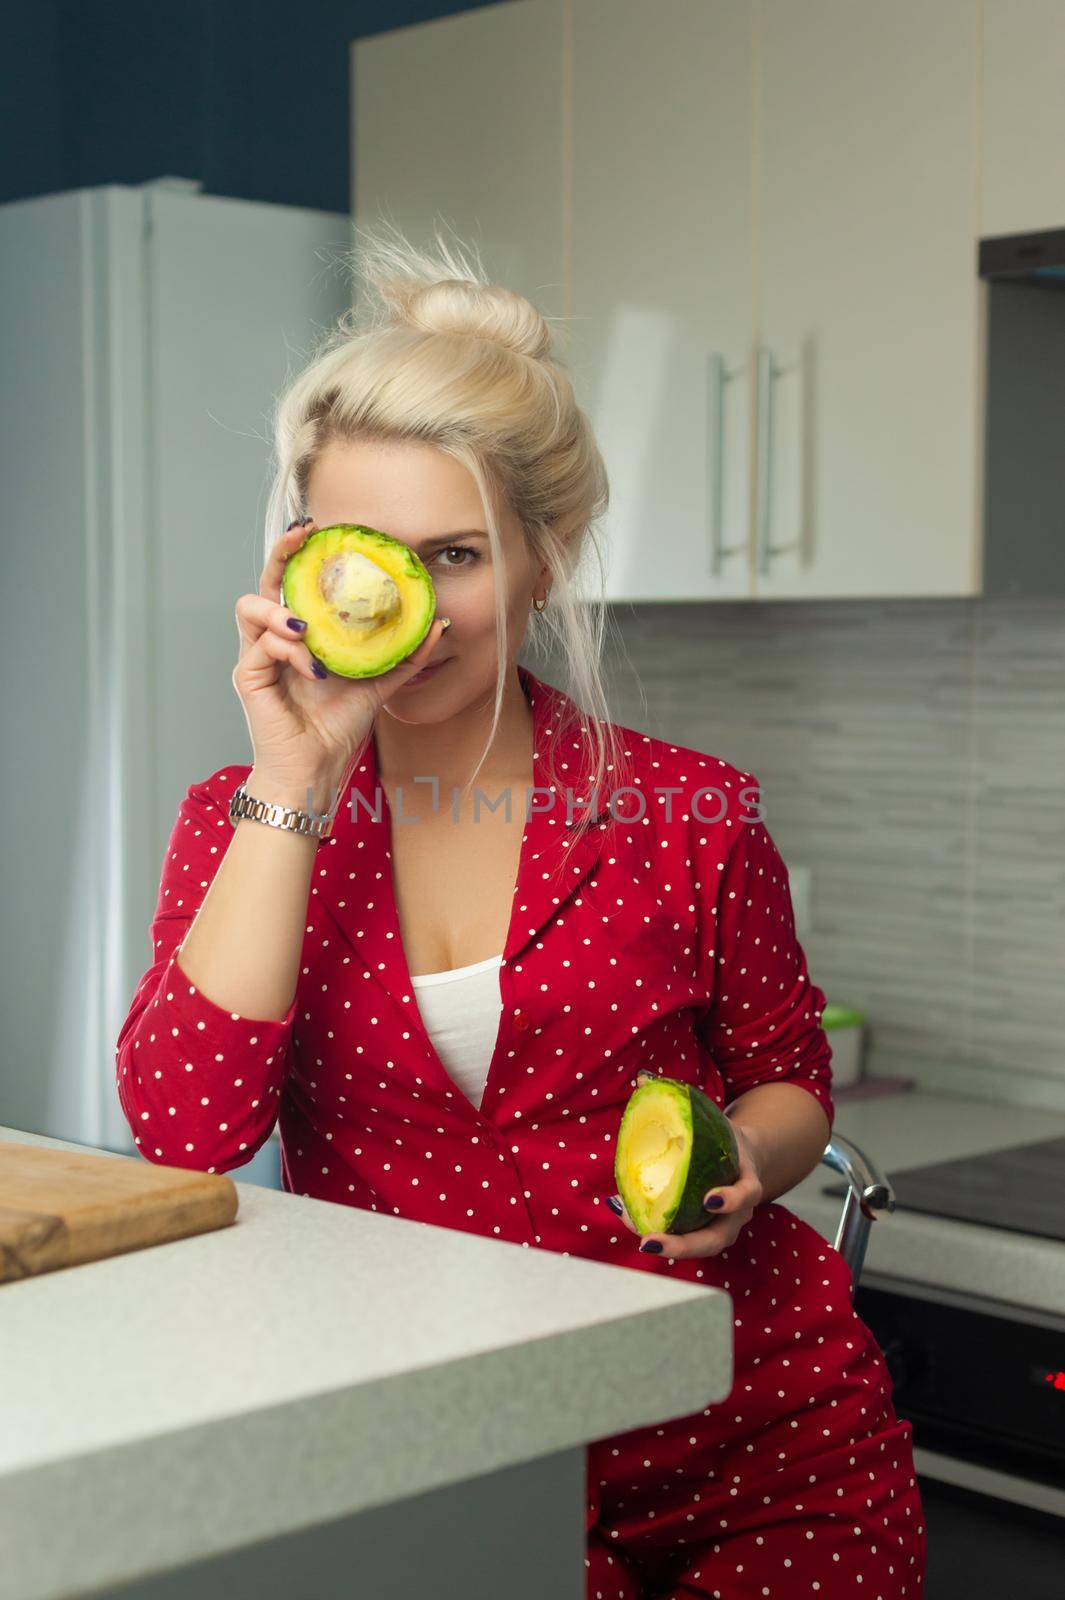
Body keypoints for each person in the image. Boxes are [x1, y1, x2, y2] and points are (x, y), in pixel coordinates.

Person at [116, 222, 926, 1598]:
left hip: (754, 1437)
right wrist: (296, 776)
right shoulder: (244, 820)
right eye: (365, 554)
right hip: (448, 1453)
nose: (407, 611)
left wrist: (745, 1168)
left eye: (456, 557)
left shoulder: (691, 810)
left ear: (542, 563)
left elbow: (788, 1082)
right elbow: (188, 1129)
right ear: (301, 558)